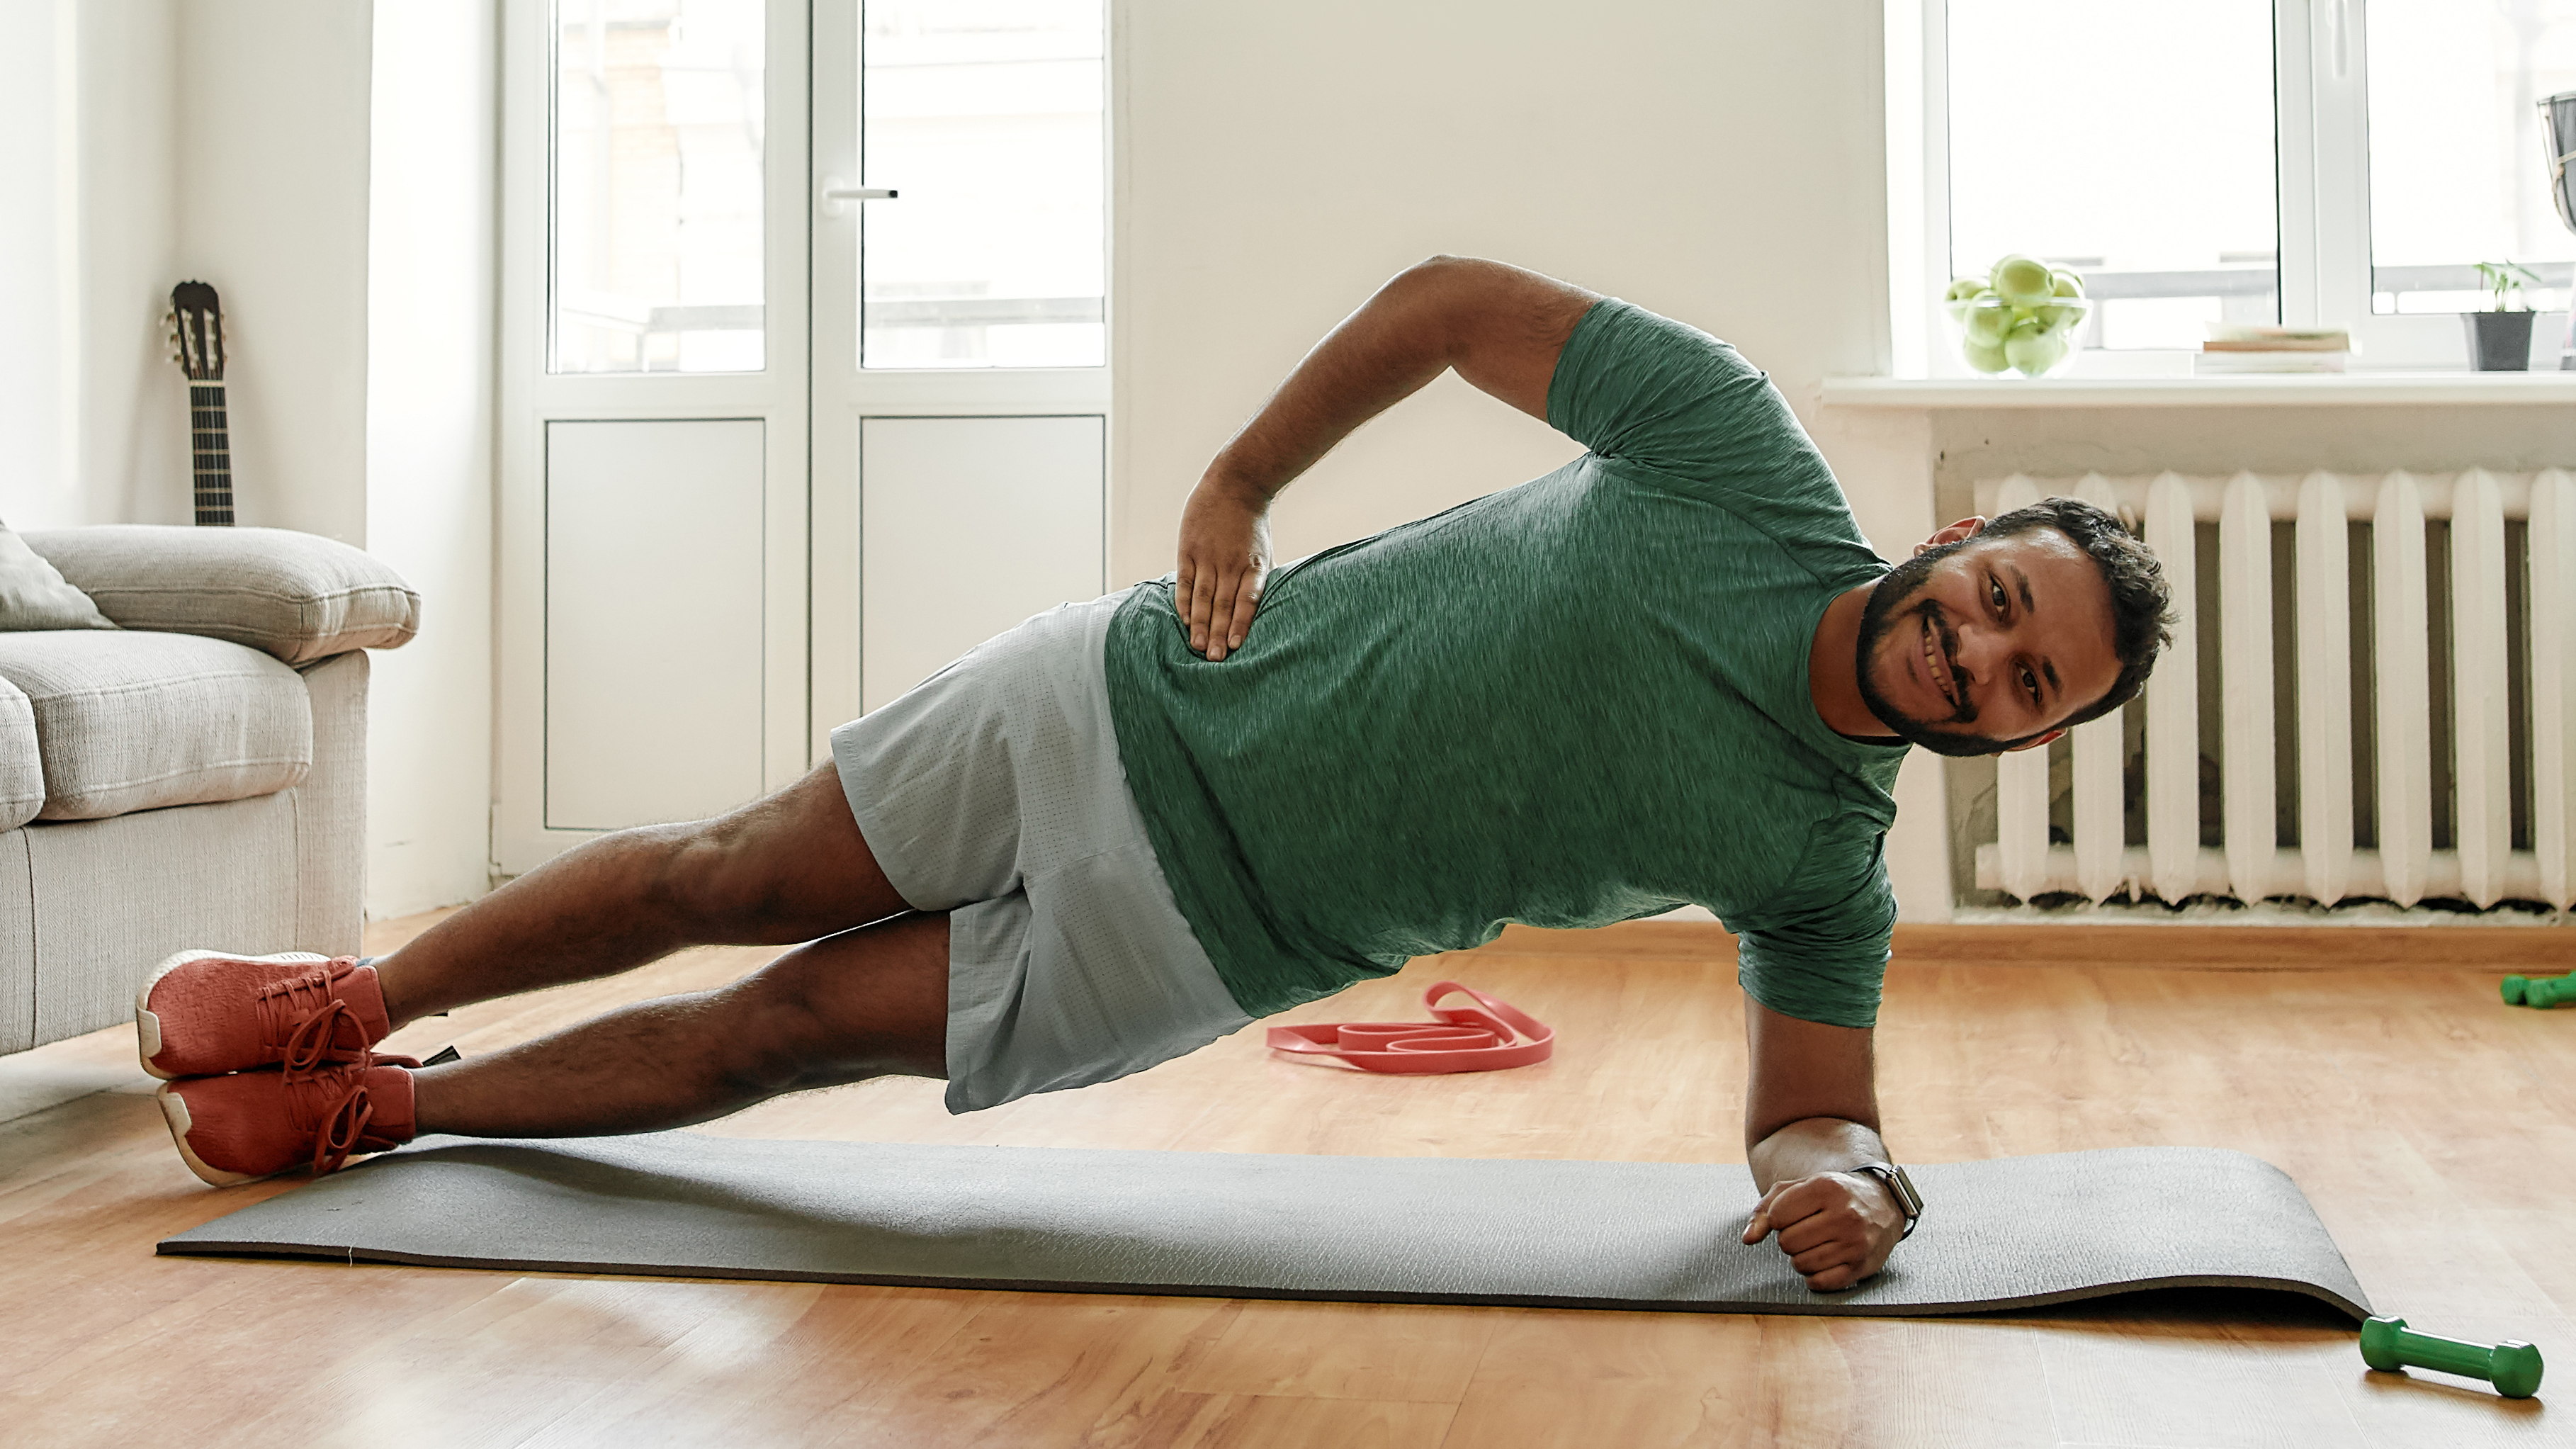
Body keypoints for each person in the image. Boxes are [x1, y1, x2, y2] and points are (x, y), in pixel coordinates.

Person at [140, 256, 2172, 1292]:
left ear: (2023, 739)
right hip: (1122, 701)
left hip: (1204, 934)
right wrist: (1233, 482)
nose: (1980, 652)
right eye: (1998, 599)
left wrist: (1851, 1191)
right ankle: (351, 995)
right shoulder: (1736, 455)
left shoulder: (1824, 863)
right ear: (1952, 545)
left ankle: (387, 1115)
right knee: (718, 870)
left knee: (787, 1028)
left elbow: (1813, 1117)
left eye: (2023, 684)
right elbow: (1453, 301)